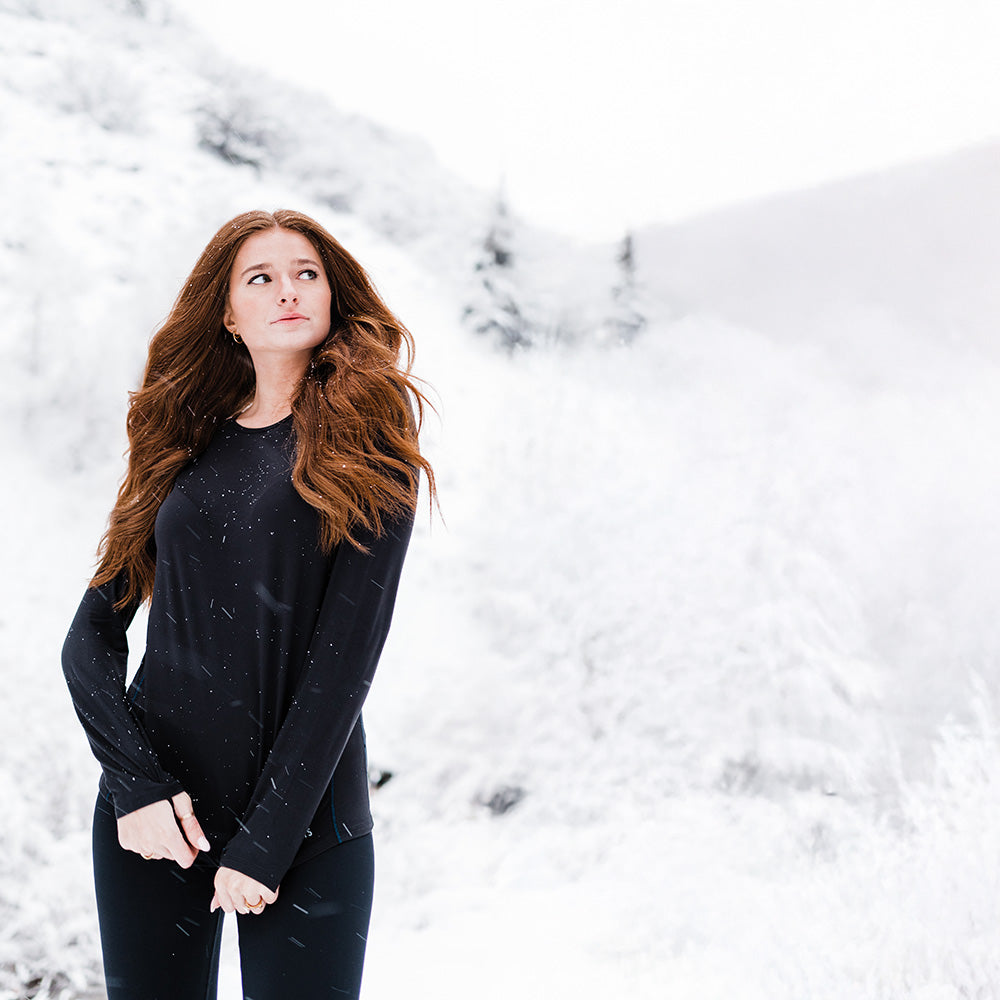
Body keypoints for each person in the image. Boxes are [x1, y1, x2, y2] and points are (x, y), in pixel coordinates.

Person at [61, 208, 435, 1000]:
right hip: (158, 818)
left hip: (307, 825)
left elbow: (344, 665)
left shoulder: (370, 440)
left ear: (334, 297)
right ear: (228, 314)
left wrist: (266, 844)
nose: (288, 290)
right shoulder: (181, 443)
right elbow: (90, 639)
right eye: (259, 278)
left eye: (306, 273)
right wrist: (136, 788)